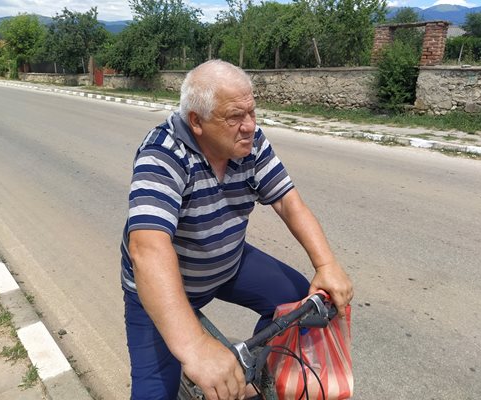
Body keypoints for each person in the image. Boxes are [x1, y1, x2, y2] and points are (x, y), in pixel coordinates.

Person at [120, 59, 353, 400]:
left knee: (298, 302)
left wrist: (327, 264)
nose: (249, 126)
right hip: (163, 285)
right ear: (196, 121)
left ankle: (253, 378)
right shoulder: (163, 153)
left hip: (228, 263)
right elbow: (147, 248)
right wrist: (195, 346)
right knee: (153, 392)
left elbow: (288, 201)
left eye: (252, 112)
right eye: (234, 117)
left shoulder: (251, 143)